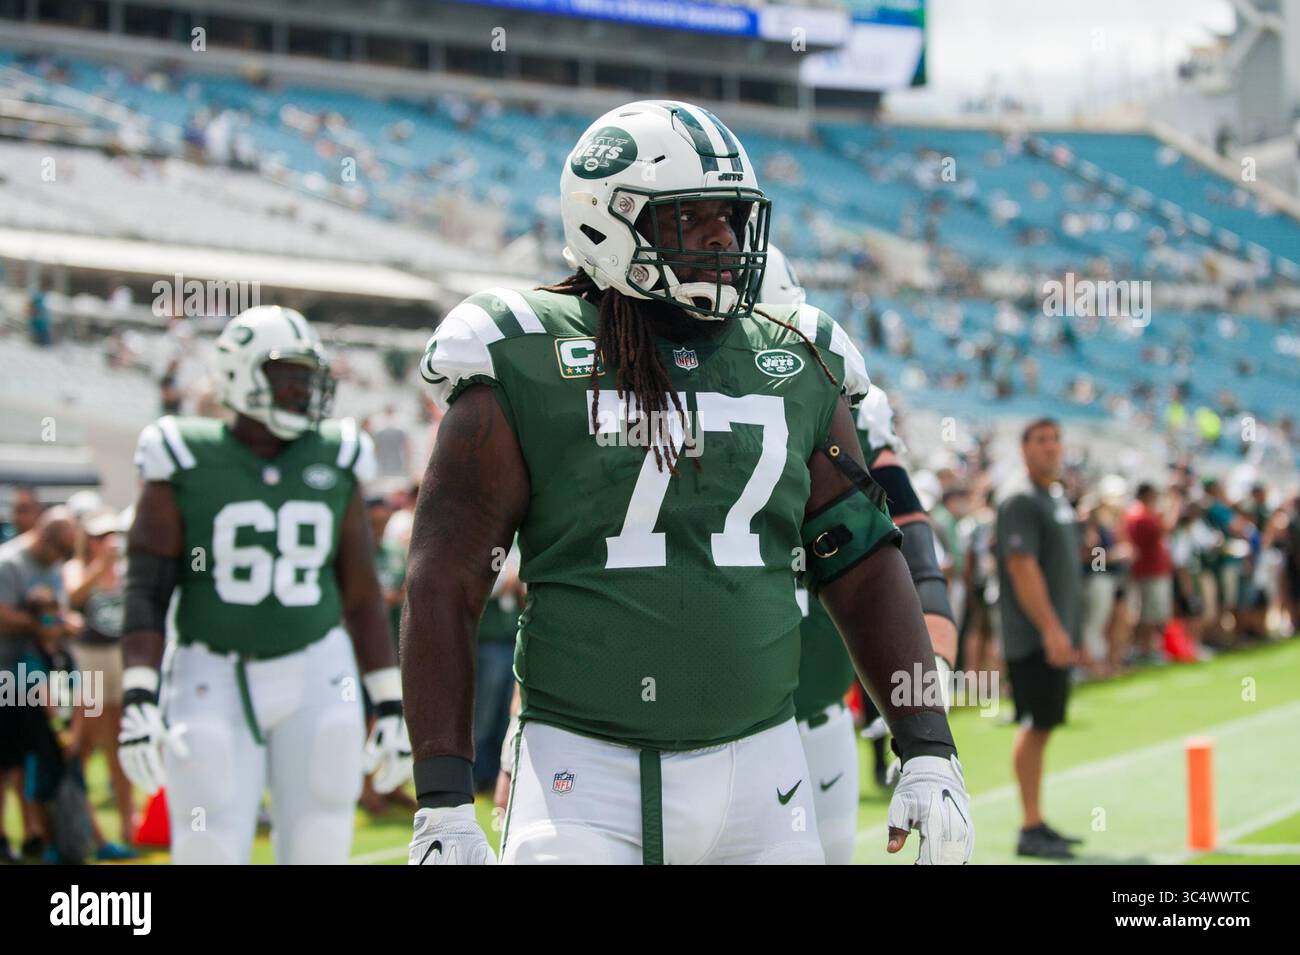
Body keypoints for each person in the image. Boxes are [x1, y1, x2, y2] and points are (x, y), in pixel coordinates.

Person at [403, 100, 972, 865]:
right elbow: (443, 581)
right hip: (584, 773)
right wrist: (442, 799)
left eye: (731, 217)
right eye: (694, 216)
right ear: (610, 221)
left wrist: (927, 741)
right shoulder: (523, 354)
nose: (723, 238)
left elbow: (863, 560)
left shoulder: (797, 358)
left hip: (766, 769)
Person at [117, 305, 411, 864]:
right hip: (210, 669)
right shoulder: (183, 454)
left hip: (317, 667)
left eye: (309, 377)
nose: (304, 391)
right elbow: (147, 587)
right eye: (289, 376)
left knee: (322, 831)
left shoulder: (336, 454)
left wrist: (390, 702)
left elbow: (361, 593)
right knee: (208, 837)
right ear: (239, 374)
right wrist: (137, 691)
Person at [760, 247, 960, 864]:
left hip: (819, 714)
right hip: (695, 731)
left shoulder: (843, 407)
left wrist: (933, 690)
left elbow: (915, 553)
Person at [996, 419, 1083, 859]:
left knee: (1044, 725)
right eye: (1041, 440)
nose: (1052, 447)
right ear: (1024, 447)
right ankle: (1029, 826)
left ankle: (1037, 820)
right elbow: (1021, 567)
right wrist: (1051, 629)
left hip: (1054, 632)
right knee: (1034, 724)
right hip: (1032, 636)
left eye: (1056, 438)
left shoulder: (1052, 495)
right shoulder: (1020, 498)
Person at [0, 506, 79, 862]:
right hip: (5, 673)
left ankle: (38, 834)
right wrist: (41, 626)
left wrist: (62, 623)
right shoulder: (10, 563)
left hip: (40, 677)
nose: (60, 559)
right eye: (59, 550)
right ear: (45, 538)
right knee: (4, 760)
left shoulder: (53, 566)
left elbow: (59, 610)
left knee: (36, 758)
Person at [63, 506, 137, 856]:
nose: (108, 543)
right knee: (85, 743)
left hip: (119, 658)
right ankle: (82, 825)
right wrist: (100, 568)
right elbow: (73, 595)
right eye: (99, 537)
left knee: (120, 746)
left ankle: (128, 826)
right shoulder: (78, 568)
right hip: (90, 661)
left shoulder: (126, 570)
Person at [1124, 483, 1176, 666]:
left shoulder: (1142, 514)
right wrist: (1175, 506)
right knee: (1148, 615)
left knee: (1153, 614)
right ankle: (1142, 650)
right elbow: (1164, 530)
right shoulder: (1140, 515)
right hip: (1148, 572)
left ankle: (1147, 649)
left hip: (1152, 571)